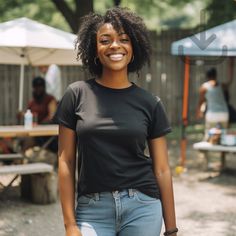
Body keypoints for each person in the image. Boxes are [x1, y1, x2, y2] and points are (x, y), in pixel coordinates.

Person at [54, 7, 177, 236]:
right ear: (95, 49)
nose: (115, 46)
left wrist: (171, 229)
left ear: (133, 48)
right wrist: (70, 225)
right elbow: (66, 162)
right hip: (92, 210)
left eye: (124, 39)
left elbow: (161, 169)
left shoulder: (150, 103)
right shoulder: (76, 94)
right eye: (105, 40)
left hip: (142, 206)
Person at [196, 68, 229, 139]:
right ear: (216, 75)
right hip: (224, 113)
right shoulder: (222, 85)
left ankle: (208, 142)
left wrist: (199, 111)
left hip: (212, 115)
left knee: (209, 135)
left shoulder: (204, 87)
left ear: (207, 76)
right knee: (224, 136)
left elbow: (201, 101)